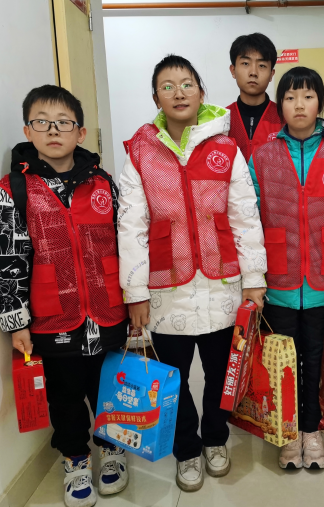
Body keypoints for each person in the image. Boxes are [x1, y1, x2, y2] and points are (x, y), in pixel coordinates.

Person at [117, 55, 267, 492]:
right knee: (173, 378)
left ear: (202, 92)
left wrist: (255, 280)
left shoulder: (226, 149)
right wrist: (134, 292)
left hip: (223, 284)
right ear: (155, 98)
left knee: (221, 373)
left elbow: (245, 217)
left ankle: (215, 438)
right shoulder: (140, 153)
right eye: (167, 86)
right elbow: (131, 225)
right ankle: (186, 447)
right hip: (166, 288)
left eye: (187, 84)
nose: (178, 92)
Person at [0, 85, 129, 507]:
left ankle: (113, 449)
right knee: (65, 396)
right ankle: (75, 459)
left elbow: (126, 242)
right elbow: (7, 258)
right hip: (53, 316)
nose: (53, 131)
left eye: (64, 123)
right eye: (42, 122)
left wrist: (136, 300)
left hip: (107, 310)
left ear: (80, 133)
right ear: (27, 130)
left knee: (110, 387)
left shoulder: (103, 182)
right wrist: (15, 321)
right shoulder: (13, 189)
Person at [249, 66, 324, 470]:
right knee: (282, 362)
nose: (299, 104)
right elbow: (249, 223)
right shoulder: (262, 157)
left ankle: (312, 430)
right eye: (291, 97)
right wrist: (252, 280)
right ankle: (289, 431)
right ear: (279, 105)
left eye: (308, 96)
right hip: (277, 280)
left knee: (316, 360)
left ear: (320, 103)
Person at [226, 33, 284, 163]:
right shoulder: (221, 121)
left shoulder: (284, 119)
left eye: (262, 65)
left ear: (271, 74)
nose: (253, 72)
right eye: (245, 63)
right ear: (233, 70)